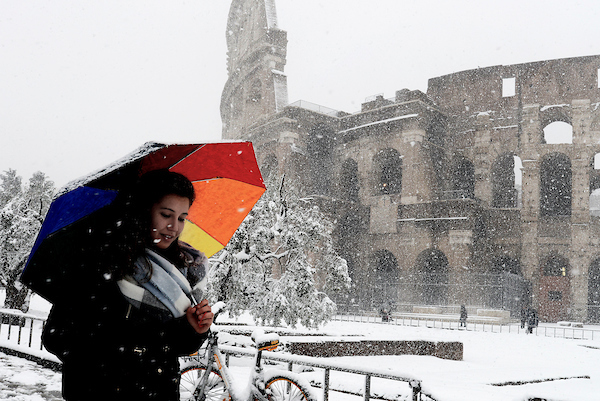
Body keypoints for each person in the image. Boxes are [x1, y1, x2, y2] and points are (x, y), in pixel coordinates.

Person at [41, 169, 214, 401]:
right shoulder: (100, 260)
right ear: (144, 210)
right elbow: (57, 337)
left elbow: (173, 347)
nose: (174, 226)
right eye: (166, 214)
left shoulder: (184, 270)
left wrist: (193, 329)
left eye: (182, 218)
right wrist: (123, 351)